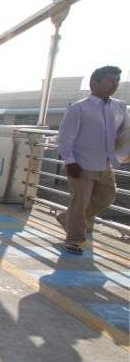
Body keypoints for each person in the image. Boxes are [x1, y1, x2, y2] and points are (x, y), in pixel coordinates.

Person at [56, 65, 128, 255]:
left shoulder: (119, 107)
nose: (114, 84)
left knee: (107, 197)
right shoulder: (79, 108)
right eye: (110, 80)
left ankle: (66, 218)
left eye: (117, 80)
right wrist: (70, 161)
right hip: (81, 164)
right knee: (79, 203)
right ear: (94, 83)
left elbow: (125, 133)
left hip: (105, 163)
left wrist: (122, 154)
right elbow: (65, 137)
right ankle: (74, 240)